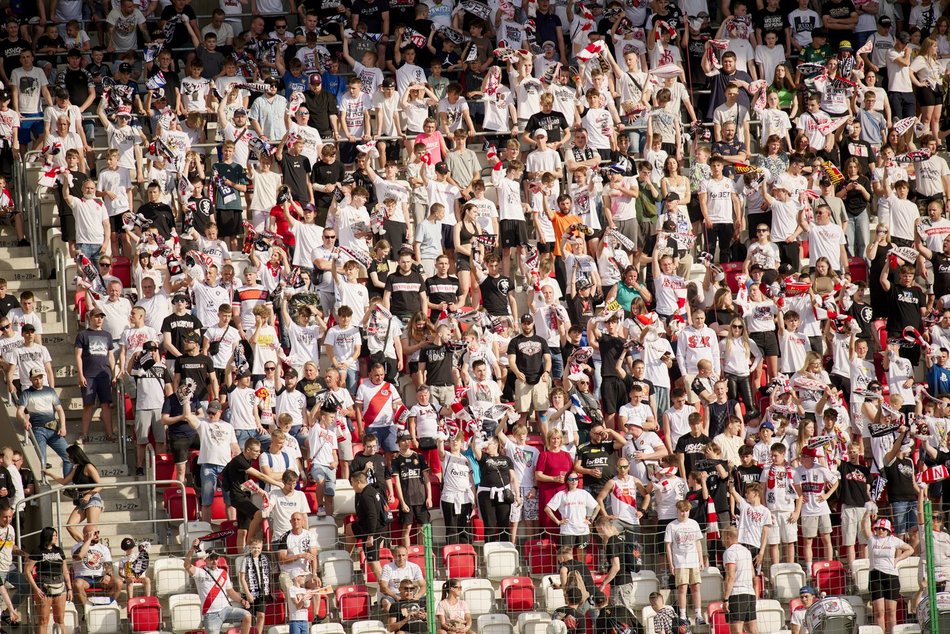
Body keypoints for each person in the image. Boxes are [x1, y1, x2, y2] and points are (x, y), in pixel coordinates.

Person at [184, 538, 252, 634]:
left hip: (226, 609)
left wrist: (242, 601)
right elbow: (187, 565)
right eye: (211, 558)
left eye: (216, 558)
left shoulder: (223, 572)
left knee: (247, 615)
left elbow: (231, 592)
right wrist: (192, 549)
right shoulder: (200, 572)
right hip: (210, 614)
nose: (214, 561)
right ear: (205, 559)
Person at [863, 513, 914, 634]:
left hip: (891, 576)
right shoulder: (872, 539)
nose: (880, 530)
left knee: (891, 611)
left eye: (883, 529)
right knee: (879, 612)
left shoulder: (893, 540)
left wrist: (898, 559)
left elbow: (910, 549)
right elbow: (864, 527)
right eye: (878, 528)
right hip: (875, 576)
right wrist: (867, 513)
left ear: (888, 531)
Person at [43, 444, 102, 542]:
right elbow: (64, 481)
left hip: (92, 498)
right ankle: (85, 545)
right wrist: (50, 474)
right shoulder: (76, 468)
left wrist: (89, 495)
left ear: (75, 455)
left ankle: (94, 547)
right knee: (70, 526)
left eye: (69, 456)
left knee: (91, 529)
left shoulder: (88, 466)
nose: (68, 458)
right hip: (81, 500)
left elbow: (100, 485)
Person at [16, 368, 69, 476]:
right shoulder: (26, 393)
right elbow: (19, 412)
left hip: (53, 429)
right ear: (30, 379)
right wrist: (24, 420)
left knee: (68, 456)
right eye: (35, 379)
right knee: (42, 459)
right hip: (38, 430)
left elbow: (60, 410)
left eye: (40, 378)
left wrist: (63, 426)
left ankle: (68, 484)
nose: (38, 381)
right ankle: (43, 481)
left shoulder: (50, 391)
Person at [25, 527, 70, 634]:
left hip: (60, 585)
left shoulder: (59, 550)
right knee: (43, 620)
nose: (56, 537)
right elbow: (27, 571)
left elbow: (65, 570)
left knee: (60, 619)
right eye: (54, 535)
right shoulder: (38, 551)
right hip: (43, 586)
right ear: (48, 536)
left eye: (56, 535)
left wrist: (70, 588)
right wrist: (36, 589)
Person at [721, 527, 759, 634]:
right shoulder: (746, 551)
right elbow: (753, 575)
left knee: (736, 631)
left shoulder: (730, 552)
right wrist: (755, 595)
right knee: (753, 630)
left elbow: (730, 576)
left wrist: (725, 599)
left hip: (737, 594)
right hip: (750, 594)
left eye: (723, 537)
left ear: (728, 537)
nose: (722, 541)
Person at [70, 524, 118, 608]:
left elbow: (108, 565)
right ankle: (87, 609)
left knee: (118, 582)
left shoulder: (103, 548)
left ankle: (108, 606)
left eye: (98, 532)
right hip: (83, 578)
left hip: (100, 578)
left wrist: (108, 574)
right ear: (86, 534)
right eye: (94, 533)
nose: (97, 535)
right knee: (77, 584)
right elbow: (79, 556)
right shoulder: (76, 547)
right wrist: (88, 540)